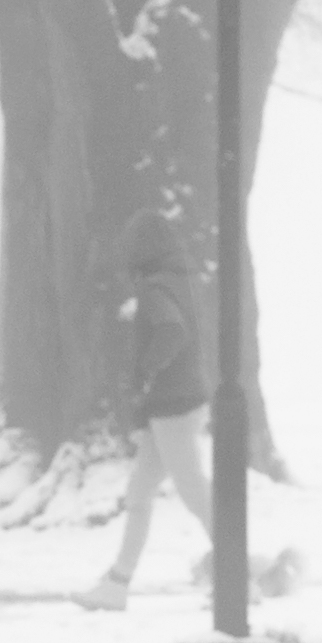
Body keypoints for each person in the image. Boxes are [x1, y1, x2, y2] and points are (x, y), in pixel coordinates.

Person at [77, 222, 209, 612]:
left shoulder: (154, 290)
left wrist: (148, 373)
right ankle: (117, 583)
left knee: (195, 494)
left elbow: (171, 331)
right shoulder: (180, 282)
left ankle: (241, 576)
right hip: (176, 404)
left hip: (173, 406)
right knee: (139, 494)